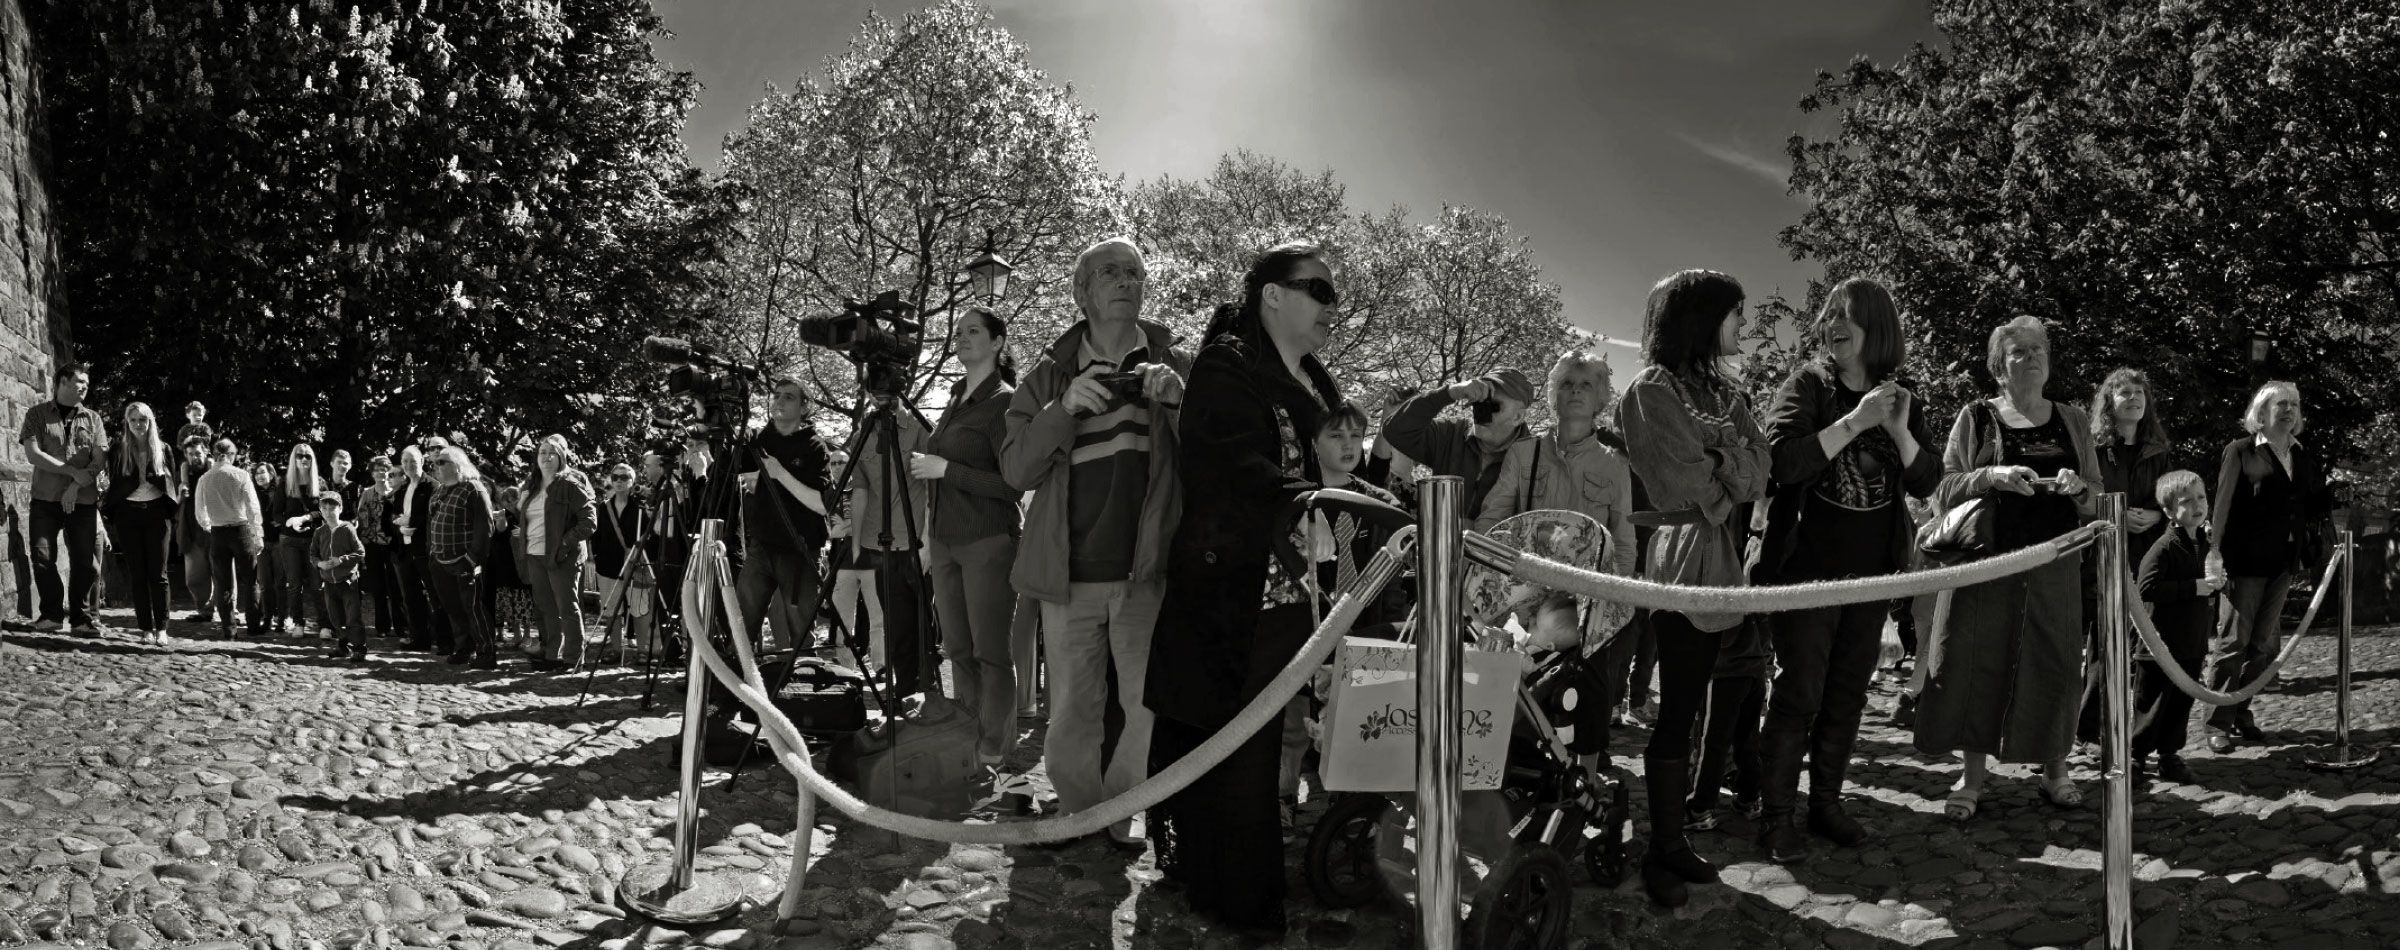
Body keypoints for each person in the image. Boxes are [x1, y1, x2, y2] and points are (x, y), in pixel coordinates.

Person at [1143, 241, 1340, 935]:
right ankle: (1241, 901)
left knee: (1269, 745)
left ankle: (1243, 888)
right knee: (1235, 746)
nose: (1330, 307)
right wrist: (1306, 501)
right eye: (1318, 289)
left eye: (1333, 295)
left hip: (1300, 600)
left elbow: (1345, 466)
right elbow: (1230, 462)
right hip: (1233, 595)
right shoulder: (1228, 367)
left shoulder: (1319, 383)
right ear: (1273, 295)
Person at [1001, 236, 1190, 848]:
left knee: (1144, 706)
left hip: (1147, 571)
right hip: (1067, 572)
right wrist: (1062, 410)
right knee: (1074, 708)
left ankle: (1122, 809)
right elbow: (1013, 472)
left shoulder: (1177, 365)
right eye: (1110, 272)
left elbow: (1215, 461)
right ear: (1082, 292)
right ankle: (1080, 810)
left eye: (1135, 271)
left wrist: (1181, 405)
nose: (1127, 280)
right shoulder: (1049, 374)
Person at [1751, 277, 1941, 862]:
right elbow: (1781, 461)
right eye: (1828, 314)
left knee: (1846, 697)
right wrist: (1855, 423)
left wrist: (1900, 431)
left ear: (1876, 327)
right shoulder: (1807, 384)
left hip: (1871, 580)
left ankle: (1825, 804)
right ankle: (1776, 815)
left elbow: (1929, 480)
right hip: (1805, 573)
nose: (1831, 323)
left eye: (1846, 315)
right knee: (1798, 694)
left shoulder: (1899, 397)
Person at [1614, 269, 1772, 908]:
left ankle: (1676, 838)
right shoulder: (1651, 391)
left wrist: (1724, 463)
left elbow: (1761, 474)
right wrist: (1728, 464)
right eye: (1736, 313)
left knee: (1708, 700)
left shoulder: (1729, 396)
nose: (1744, 326)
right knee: (1677, 706)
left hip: (1725, 559)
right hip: (1680, 558)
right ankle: (1664, 848)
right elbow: (1684, 485)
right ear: (1703, 319)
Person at [1915, 315, 2101, 821]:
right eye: (2019, 351)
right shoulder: (1976, 416)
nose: (2032, 357)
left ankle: (2055, 772)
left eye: (2039, 349)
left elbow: (2099, 499)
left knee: (2057, 662)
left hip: (2056, 562)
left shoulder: (2074, 419)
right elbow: (1943, 488)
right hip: (1987, 564)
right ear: (2000, 367)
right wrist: (1991, 476)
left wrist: (2078, 488)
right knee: (1978, 663)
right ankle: (1972, 778)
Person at [1472, 348, 1641, 657]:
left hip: (1581, 612)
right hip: (1522, 611)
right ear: (1554, 395)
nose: (1575, 390)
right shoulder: (1523, 453)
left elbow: (1624, 543)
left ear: (1600, 398)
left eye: (1586, 384)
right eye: (1567, 383)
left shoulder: (1615, 466)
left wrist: (1608, 613)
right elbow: (1491, 523)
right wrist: (1484, 586)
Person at [918, 307, 1026, 767]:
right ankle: (968, 732)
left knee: (990, 653)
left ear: (998, 342)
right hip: (944, 542)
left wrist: (947, 469)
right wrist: (927, 539)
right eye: (958, 331)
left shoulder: (1006, 401)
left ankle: (996, 748)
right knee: (957, 649)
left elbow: (1013, 485)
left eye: (973, 331)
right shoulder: (955, 398)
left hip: (986, 542)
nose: (960, 337)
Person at [2204, 380, 2332, 751]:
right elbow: (2223, 507)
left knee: (2261, 647)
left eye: (2294, 404)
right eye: (2281, 404)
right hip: (2243, 563)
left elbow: (2305, 505)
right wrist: (2215, 555)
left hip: (2282, 564)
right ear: (2261, 413)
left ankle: (2241, 711)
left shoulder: (2301, 453)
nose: (2289, 410)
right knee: (2233, 643)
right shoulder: (2240, 451)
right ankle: (2218, 723)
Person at [2078, 368, 2173, 751]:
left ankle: (2140, 738)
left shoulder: (2159, 452)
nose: (2133, 398)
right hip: (2103, 555)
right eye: (2124, 393)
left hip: (2148, 557)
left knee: (2147, 649)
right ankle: (2091, 731)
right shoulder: (2095, 449)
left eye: (2139, 392)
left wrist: (2155, 513)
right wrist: (2117, 515)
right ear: (2109, 402)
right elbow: (2085, 496)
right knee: (2104, 647)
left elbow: (2173, 498)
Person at [2133, 470, 2223, 785]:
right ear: (2171, 512)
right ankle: (2135, 757)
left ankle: (2169, 756)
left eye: (2201, 497)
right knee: (2151, 705)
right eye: (2187, 501)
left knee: (2179, 705)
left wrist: (2217, 583)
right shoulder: (2165, 546)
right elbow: (2146, 587)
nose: (2197, 505)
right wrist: (2193, 587)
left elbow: (2210, 581)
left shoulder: (2205, 541)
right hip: (2160, 645)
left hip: (2191, 641)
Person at [733, 378, 835, 654]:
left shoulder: (815, 447)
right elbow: (728, 472)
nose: (778, 401)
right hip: (761, 548)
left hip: (800, 551)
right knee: (741, 624)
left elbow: (822, 504)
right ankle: (736, 685)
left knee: (801, 635)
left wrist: (779, 475)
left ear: (805, 407)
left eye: (789, 397)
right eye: (776, 395)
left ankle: (801, 687)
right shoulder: (758, 440)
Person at [18, 362, 110, 634]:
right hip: (45, 500)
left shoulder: (93, 419)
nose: (84, 386)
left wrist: (74, 486)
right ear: (61, 381)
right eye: (79, 380)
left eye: (87, 383)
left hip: (82, 501)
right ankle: (51, 616)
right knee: (43, 557)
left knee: (86, 563)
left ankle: (81, 619)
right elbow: (33, 454)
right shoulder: (37, 414)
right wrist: (70, 471)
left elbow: (99, 458)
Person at [1381, 366, 1537, 522]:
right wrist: (1450, 393)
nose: (1481, 412)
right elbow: (1395, 432)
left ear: (1518, 417)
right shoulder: (1450, 434)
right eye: (1479, 402)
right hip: (1438, 543)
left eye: (1493, 406)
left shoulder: (1536, 461)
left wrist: (1474, 531)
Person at [103, 402, 183, 645]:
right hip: (128, 515)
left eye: (143, 420)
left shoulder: (163, 448)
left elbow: (172, 483)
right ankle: (146, 628)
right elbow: (114, 483)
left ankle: (162, 628)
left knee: (158, 574)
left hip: (157, 514)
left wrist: (173, 512)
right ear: (127, 422)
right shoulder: (119, 449)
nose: (139, 424)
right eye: (134, 420)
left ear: (151, 422)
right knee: (138, 574)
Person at [518, 436, 597, 672]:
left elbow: (589, 521)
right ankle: (553, 655)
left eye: (552, 453)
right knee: (546, 607)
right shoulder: (531, 485)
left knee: (567, 607)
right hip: (534, 554)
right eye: (542, 452)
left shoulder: (570, 484)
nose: (546, 457)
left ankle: (574, 658)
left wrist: (565, 543)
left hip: (563, 556)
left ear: (562, 457)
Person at [425, 446, 496, 667]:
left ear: (458, 465)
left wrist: (472, 559)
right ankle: (464, 648)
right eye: (435, 463)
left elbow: (484, 528)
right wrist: (432, 553)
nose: (436, 466)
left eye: (442, 462)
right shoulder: (439, 491)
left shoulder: (474, 489)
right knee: (453, 608)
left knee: (473, 608)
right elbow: (431, 523)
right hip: (440, 561)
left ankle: (487, 653)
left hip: (465, 562)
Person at [193, 438, 264, 639]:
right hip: (240, 530)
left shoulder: (205, 479)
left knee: (223, 582)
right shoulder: (241, 475)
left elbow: (200, 512)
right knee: (251, 580)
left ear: (214, 455)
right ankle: (253, 625)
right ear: (232, 455)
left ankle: (228, 628)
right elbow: (252, 507)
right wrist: (257, 533)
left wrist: (209, 526)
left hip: (218, 532)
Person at [592, 462, 651, 660]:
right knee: (611, 610)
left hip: (636, 566)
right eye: (615, 477)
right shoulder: (603, 507)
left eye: (624, 477)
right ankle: (616, 649)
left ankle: (643, 650)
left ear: (633, 481)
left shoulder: (641, 507)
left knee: (639, 609)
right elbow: (597, 535)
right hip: (608, 566)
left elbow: (648, 534)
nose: (619, 481)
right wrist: (597, 557)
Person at [393, 445, 447, 653]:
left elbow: (434, 516)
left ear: (422, 462)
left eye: (413, 461)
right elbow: (393, 517)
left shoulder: (432, 486)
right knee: (411, 596)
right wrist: (399, 525)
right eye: (405, 461)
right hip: (405, 550)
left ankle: (444, 640)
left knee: (436, 595)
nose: (408, 465)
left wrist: (412, 522)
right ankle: (419, 639)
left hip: (426, 550)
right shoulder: (403, 489)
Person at [271, 445, 325, 639]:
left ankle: (325, 624)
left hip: (314, 541)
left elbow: (328, 511)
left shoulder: (320, 483)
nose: (304, 459)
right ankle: (298, 623)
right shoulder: (285, 483)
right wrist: (290, 521)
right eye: (300, 456)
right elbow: (276, 513)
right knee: (294, 584)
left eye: (308, 456)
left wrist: (307, 518)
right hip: (290, 540)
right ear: (294, 459)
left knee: (317, 584)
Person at [312, 491, 368, 662]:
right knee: (335, 618)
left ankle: (359, 648)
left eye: (332, 508)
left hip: (348, 581)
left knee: (353, 617)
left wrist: (341, 560)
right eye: (325, 508)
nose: (329, 512)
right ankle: (343, 646)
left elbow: (360, 552)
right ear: (321, 511)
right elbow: (313, 554)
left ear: (340, 509)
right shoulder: (319, 532)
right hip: (329, 582)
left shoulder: (347, 529)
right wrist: (320, 564)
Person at [177, 436, 217, 624]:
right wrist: (180, 496)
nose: (195, 457)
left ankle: (228, 610)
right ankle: (204, 610)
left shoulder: (215, 471)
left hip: (215, 529)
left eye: (198, 453)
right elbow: (173, 504)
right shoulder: (182, 474)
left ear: (206, 453)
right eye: (191, 454)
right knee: (194, 576)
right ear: (186, 455)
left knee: (222, 572)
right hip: (191, 530)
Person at [357, 457, 398, 639]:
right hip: (372, 545)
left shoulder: (396, 492)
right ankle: (382, 626)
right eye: (377, 469)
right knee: (378, 586)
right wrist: (365, 542)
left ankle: (400, 625)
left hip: (393, 545)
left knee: (396, 586)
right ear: (372, 473)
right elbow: (362, 518)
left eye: (384, 469)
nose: (381, 472)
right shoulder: (367, 493)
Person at [251, 461, 287, 633]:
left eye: (262, 472)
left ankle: (282, 618)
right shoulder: (252, 492)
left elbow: (288, 510)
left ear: (271, 474)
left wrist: (281, 521)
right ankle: (267, 618)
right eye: (256, 473)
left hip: (279, 540)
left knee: (280, 582)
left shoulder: (281, 490)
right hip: (261, 542)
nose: (259, 476)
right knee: (264, 582)